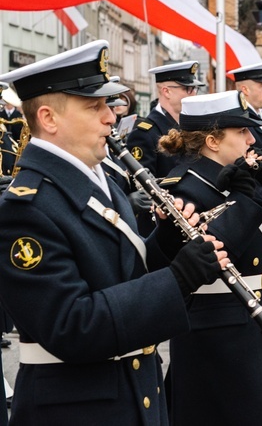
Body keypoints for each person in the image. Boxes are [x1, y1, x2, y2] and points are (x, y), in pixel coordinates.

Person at [0, 40, 229, 425]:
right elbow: (70, 325)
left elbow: (124, 274)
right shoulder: (25, 208)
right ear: (49, 118)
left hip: (130, 392)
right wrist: (178, 279)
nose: (111, 117)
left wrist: (169, 244)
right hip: (78, 407)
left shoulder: (100, 176)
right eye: (95, 107)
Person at [158, 90, 262, 425]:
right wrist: (245, 200)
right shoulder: (182, 188)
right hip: (218, 328)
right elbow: (213, 253)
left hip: (257, 318)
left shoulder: (242, 175)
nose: (251, 138)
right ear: (213, 141)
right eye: (242, 132)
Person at [127, 61, 204, 234]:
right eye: (187, 89)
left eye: (194, 89)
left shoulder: (188, 127)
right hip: (164, 226)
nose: (193, 94)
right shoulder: (145, 133)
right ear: (166, 91)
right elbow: (145, 190)